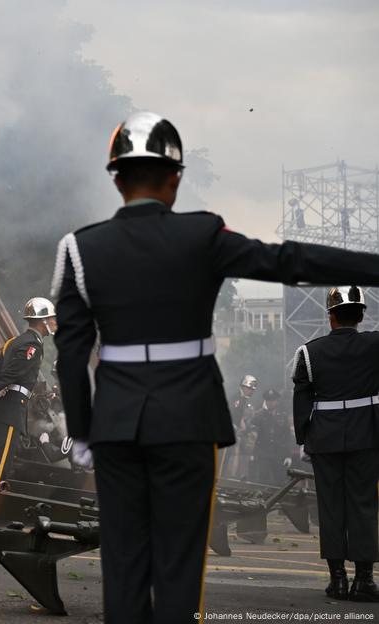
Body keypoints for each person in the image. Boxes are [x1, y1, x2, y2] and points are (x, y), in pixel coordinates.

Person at [52, 111, 379, 623]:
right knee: (181, 563)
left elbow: (70, 353)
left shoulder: (78, 249)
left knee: (124, 561)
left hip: (115, 422)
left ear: (115, 177)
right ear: (175, 179)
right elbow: (289, 260)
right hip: (188, 417)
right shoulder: (202, 235)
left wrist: (82, 432)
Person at [292, 286, 379, 602]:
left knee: (330, 507)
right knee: (363, 505)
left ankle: (337, 579)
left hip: (325, 439)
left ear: (330, 318)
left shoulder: (309, 352)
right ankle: (365, 580)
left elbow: (302, 400)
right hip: (366, 437)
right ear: (360, 316)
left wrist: (304, 440)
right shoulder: (374, 345)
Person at [0, 297, 56, 486]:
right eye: (52, 318)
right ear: (43, 321)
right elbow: (10, 376)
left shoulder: (14, 341)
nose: (54, 322)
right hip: (10, 412)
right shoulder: (32, 345)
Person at [249, 389, 292, 486]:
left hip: (279, 454)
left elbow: (287, 437)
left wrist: (288, 455)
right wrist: (253, 453)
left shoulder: (283, 416)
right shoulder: (259, 415)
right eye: (268, 400)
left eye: (272, 400)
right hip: (263, 454)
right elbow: (253, 436)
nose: (270, 403)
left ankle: (279, 501)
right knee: (262, 481)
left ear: (277, 401)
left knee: (280, 481)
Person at [224, 374, 259, 479]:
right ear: (243, 387)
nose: (251, 391)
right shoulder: (236, 399)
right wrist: (237, 427)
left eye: (252, 389)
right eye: (249, 388)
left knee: (232, 456)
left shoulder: (244, 400)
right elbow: (231, 414)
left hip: (235, 433)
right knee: (225, 457)